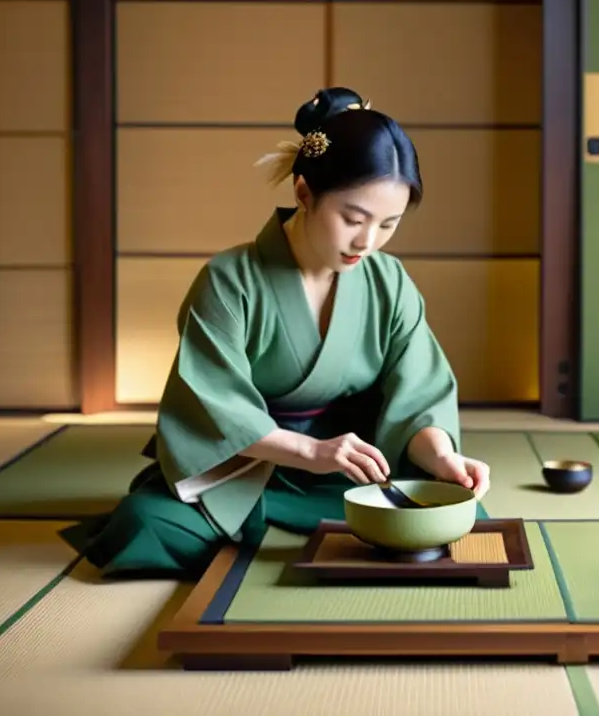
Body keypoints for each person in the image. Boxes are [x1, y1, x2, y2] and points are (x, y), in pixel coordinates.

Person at [60, 87, 492, 580]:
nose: (367, 242)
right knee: (144, 524)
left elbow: (419, 395)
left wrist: (443, 458)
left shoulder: (388, 281)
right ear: (304, 192)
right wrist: (309, 452)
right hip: (250, 467)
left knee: (460, 512)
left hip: (349, 468)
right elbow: (212, 405)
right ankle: (333, 545)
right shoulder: (229, 281)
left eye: (388, 224)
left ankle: (281, 550)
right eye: (353, 219)